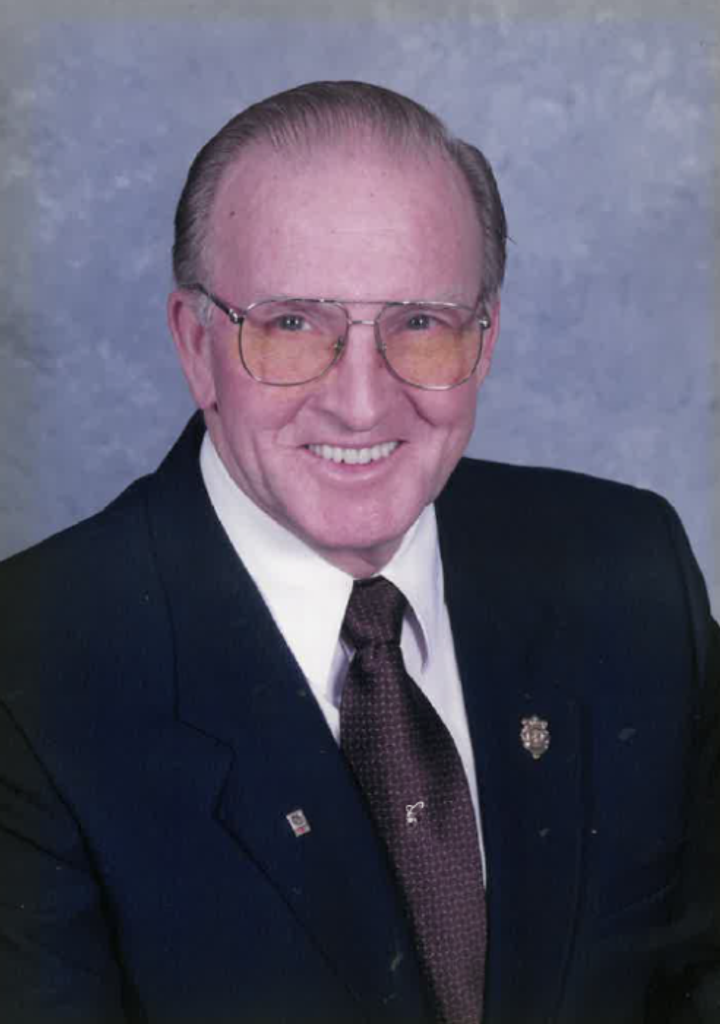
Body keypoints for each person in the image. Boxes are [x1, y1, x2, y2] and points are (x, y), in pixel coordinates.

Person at [0, 80, 718, 1024]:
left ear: (484, 340)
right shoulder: (32, 673)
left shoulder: (631, 573)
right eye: (293, 325)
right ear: (195, 344)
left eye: (420, 323)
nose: (362, 404)